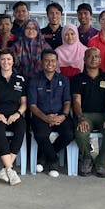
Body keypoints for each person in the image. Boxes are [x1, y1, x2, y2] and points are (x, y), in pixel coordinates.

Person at [71, 47, 105, 177]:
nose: (93, 59)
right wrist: (81, 117)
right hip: (85, 115)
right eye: (90, 56)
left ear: (100, 60)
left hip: (104, 115)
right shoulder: (77, 78)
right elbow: (76, 101)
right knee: (81, 133)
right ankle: (87, 158)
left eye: (96, 56)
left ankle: (101, 161)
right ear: (84, 59)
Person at [28, 49, 74, 178]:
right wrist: (46, 118)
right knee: (41, 135)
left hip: (60, 115)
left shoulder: (64, 80)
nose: (50, 63)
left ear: (57, 63)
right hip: (41, 116)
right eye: (47, 60)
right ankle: (53, 161)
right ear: (41, 62)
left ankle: (44, 156)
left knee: (69, 134)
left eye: (53, 61)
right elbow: (32, 105)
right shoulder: (34, 80)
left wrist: (63, 116)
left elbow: (67, 101)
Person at [0, 48, 27, 186]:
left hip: (14, 115)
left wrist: (18, 114)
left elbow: (24, 103)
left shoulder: (20, 79)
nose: (6, 62)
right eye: (3, 59)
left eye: (9, 59)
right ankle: (10, 169)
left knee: (21, 126)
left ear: (13, 61)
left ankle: (6, 169)